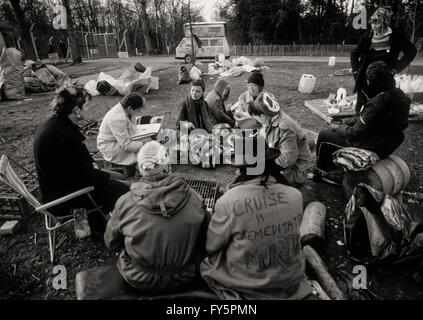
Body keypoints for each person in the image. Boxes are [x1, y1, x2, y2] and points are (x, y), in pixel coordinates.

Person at [200, 137, 313, 300]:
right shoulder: (295, 195)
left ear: (241, 169)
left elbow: (211, 247)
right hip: (289, 280)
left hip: (249, 286)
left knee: (208, 263)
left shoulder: (228, 201)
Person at [104, 141, 210, 292]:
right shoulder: (195, 199)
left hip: (138, 277)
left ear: (140, 169)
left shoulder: (125, 202)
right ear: (168, 167)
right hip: (185, 276)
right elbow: (206, 241)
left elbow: (111, 243)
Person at [33, 85, 129, 233]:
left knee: (116, 180)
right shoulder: (63, 135)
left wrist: (104, 173)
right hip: (66, 198)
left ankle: (95, 225)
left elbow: (77, 168)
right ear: (76, 110)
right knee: (124, 189)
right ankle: (110, 231)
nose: (90, 109)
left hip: (58, 188)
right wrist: (110, 175)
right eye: (87, 105)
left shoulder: (56, 124)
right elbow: (86, 177)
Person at [315, 61, 410, 184]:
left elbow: (355, 133)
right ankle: (337, 166)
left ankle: (324, 170)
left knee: (324, 135)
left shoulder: (378, 102)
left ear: (373, 82)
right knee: (339, 130)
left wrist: (339, 127)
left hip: (372, 145)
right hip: (389, 141)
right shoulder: (400, 95)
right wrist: (348, 121)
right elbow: (368, 119)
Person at [350, 6, 417, 113]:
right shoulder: (367, 36)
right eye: (372, 23)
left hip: (385, 81)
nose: (374, 26)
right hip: (365, 81)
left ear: (385, 23)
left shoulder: (396, 36)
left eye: (377, 23)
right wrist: (356, 71)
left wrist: (395, 68)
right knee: (362, 109)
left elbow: (411, 52)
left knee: (383, 110)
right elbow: (354, 54)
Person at [248, 92, 312, 186]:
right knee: (250, 168)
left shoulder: (284, 127)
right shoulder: (273, 117)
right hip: (283, 164)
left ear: (262, 116)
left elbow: (288, 159)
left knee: (255, 179)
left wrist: (265, 165)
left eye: (257, 119)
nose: (257, 122)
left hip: (294, 171)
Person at [97, 92, 152, 167]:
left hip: (120, 140)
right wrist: (145, 144)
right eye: (138, 110)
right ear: (130, 108)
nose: (138, 113)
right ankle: (139, 169)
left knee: (148, 141)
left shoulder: (125, 110)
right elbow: (126, 145)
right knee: (148, 151)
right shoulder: (117, 118)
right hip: (111, 146)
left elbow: (130, 127)